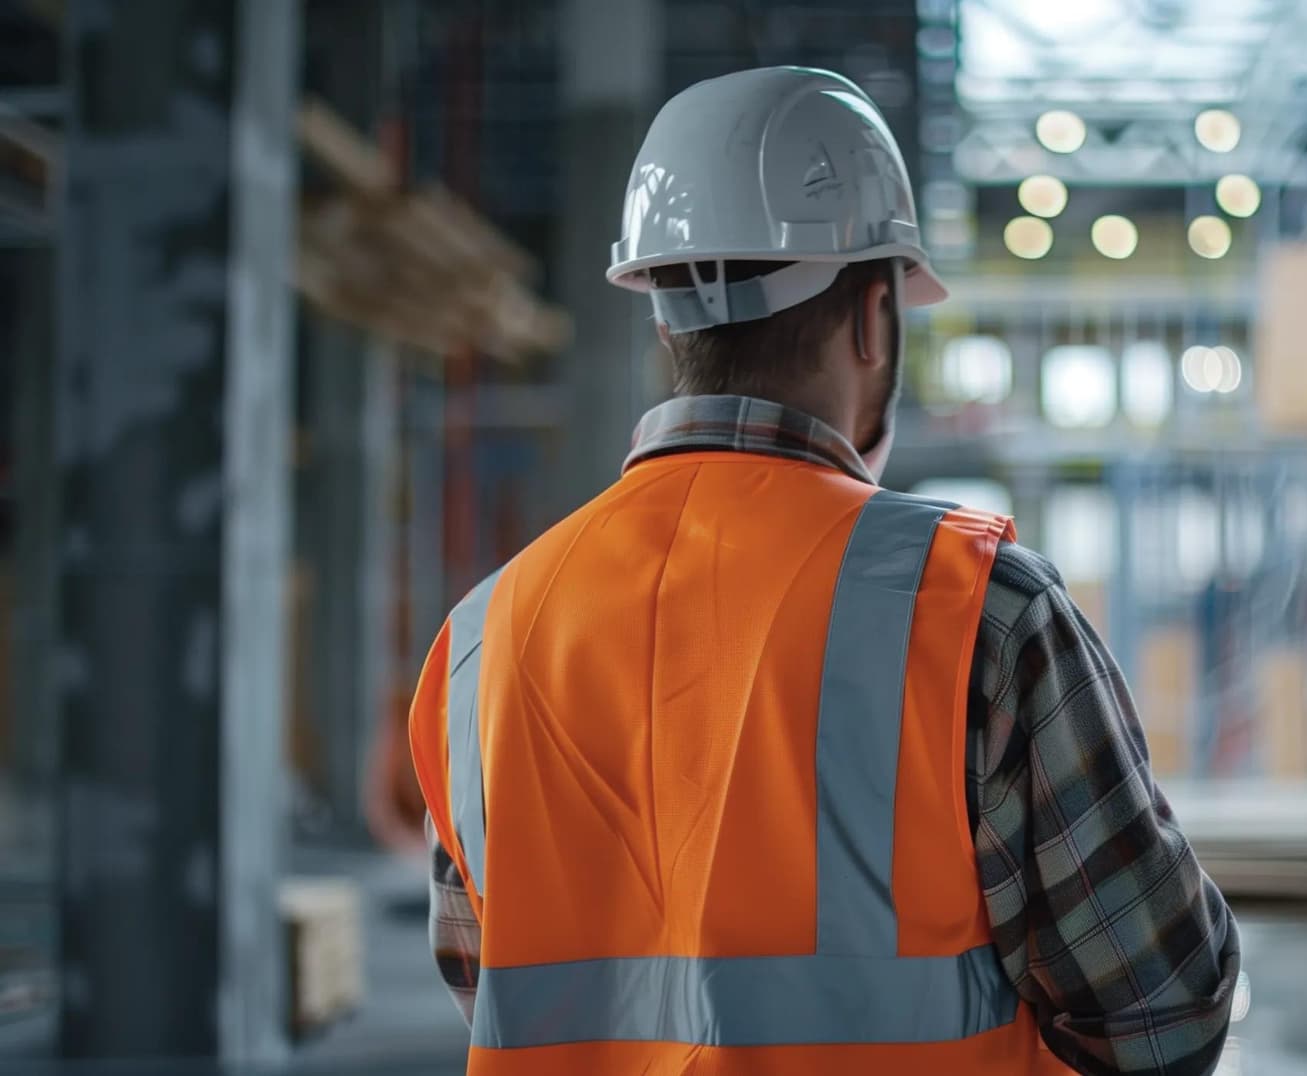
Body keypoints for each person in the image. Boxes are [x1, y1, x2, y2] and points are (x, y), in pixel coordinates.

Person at [409, 65, 1239, 1075]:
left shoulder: (484, 636)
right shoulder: (978, 609)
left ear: (667, 313)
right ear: (875, 316)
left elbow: (483, 975)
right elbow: (1163, 1008)